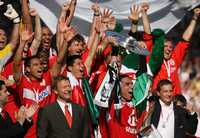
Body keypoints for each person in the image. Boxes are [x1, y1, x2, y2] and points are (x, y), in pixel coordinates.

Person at [152, 8, 200, 95]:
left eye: (171, 47)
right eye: (165, 46)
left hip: (175, 100)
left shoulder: (175, 57)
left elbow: (185, 40)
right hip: (158, 99)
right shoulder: (154, 59)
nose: (169, 48)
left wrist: (194, 19)